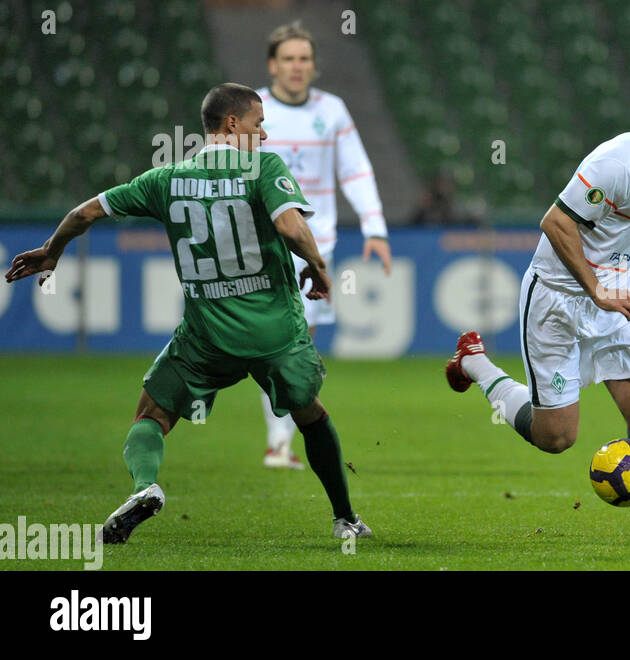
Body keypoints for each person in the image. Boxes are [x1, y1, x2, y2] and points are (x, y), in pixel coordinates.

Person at [5, 83, 372, 543]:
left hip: (207, 336)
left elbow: (84, 212)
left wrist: (52, 251)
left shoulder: (165, 179)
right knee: (311, 416)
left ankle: (147, 486)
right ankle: (344, 518)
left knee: (151, 416)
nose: (264, 135)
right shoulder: (263, 167)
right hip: (273, 331)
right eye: (259, 124)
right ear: (232, 123)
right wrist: (319, 267)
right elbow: (289, 224)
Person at [445, 86, 630, 541]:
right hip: (558, 299)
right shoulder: (618, 163)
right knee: (555, 438)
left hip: (618, 304)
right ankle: (475, 363)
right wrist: (596, 289)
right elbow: (555, 222)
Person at [256, 21, 392, 469]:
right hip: (263, 244)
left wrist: (374, 228)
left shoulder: (331, 110)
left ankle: (279, 443)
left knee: (300, 343)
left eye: (304, 59)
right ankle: (278, 441)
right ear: (273, 65)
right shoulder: (255, 111)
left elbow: (355, 170)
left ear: (314, 65)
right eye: (288, 58)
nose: (297, 67)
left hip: (316, 246)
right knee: (272, 341)